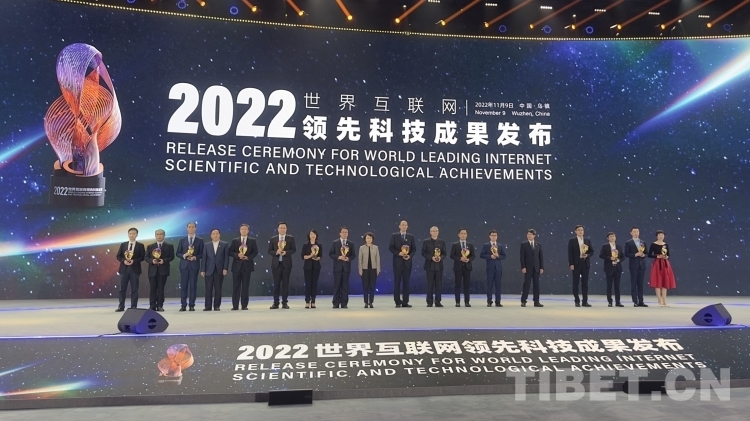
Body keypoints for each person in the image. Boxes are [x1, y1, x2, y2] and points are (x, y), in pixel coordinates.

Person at [229, 224, 258, 310]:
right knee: (236, 286)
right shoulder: (235, 241)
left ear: (248, 231)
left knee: (245, 286)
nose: (244, 230)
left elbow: (255, 252)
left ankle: (244, 305)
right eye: (242, 229)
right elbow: (230, 252)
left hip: (247, 266)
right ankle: (235, 305)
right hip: (236, 267)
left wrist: (248, 257)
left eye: (245, 229)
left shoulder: (252, 241)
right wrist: (237, 255)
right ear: (240, 230)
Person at [115, 227, 145, 311]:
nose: (132, 235)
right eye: (130, 234)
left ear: (137, 235)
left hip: (135, 270)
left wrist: (134, 261)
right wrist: (124, 261)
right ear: (128, 235)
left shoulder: (140, 245)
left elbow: (143, 257)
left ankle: (133, 307)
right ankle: (121, 306)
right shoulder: (123, 245)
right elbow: (118, 256)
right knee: (122, 289)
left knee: (134, 289)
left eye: (133, 233)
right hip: (124, 269)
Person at [176, 222, 204, 311]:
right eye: (189, 227)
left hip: (194, 265)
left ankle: (192, 305)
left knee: (193, 286)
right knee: (184, 286)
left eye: (193, 227)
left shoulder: (200, 240)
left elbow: (202, 253)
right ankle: (183, 305)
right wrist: (184, 255)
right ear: (187, 228)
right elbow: (178, 253)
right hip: (184, 266)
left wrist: (195, 257)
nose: (191, 228)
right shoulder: (182, 240)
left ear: (195, 228)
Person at [388, 220, 416, 308]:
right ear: (399, 226)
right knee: (397, 282)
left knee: (406, 282)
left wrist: (409, 256)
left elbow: (414, 249)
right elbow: (391, 247)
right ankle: (397, 301)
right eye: (402, 225)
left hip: (407, 263)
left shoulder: (411, 237)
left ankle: (405, 302)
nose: (404, 226)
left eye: (405, 225)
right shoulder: (394, 236)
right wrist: (398, 253)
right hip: (397, 263)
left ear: (407, 227)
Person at [145, 229, 175, 312]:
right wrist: (152, 261)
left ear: (164, 236)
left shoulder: (169, 246)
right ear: (155, 236)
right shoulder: (150, 246)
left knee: (161, 289)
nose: (159, 236)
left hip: (163, 270)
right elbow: (146, 257)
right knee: (152, 288)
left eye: (161, 234)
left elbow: (171, 257)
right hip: (152, 270)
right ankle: (152, 306)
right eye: (157, 234)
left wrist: (164, 261)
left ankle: (160, 305)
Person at [269, 221, 296, 309]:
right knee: (276, 284)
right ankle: (276, 303)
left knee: (285, 284)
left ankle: (284, 302)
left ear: (286, 229)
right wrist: (276, 252)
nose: (282, 229)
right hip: (276, 264)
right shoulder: (273, 239)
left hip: (286, 264)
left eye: (284, 228)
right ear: (278, 229)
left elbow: (293, 249)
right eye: (280, 228)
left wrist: (286, 253)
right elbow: (269, 251)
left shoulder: (290, 238)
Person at [200, 228, 229, 311]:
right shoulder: (206, 245)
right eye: (213, 234)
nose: (215, 235)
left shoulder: (224, 244)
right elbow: (204, 258)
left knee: (218, 288)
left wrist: (225, 268)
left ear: (219, 235)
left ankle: (217, 306)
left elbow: (226, 258)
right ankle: (208, 306)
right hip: (209, 270)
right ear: (211, 235)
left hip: (219, 270)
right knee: (208, 288)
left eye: (217, 234)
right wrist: (203, 270)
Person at [567, 225, 594, 307]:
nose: (580, 231)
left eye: (582, 230)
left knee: (585, 283)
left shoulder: (587, 241)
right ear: (575, 231)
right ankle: (577, 301)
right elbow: (570, 253)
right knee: (576, 283)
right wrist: (571, 264)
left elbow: (591, 251)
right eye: (578, 230)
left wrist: (587, 255)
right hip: (576, 264)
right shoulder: (572, 241)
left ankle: (585, 301)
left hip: (585, 263)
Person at [648, 230, 676, 306]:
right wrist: (657, 256)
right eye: (659, 235)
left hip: (665, 263)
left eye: (662, 235)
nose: (661, 236)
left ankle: (664, 301)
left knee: (665, 282)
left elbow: (668, 254)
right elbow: (649, 255)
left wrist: (666, 257)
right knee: (658, 281)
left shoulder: (666, 245)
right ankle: (659, 301)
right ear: (657, 236)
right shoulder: (653, 244)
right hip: (657, 263)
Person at [329, 227, 356, 309]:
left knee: (345, 286)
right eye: (343, 232)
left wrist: (348, 258)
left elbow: (353, 255)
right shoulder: (335, 243)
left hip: (346, 267)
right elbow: (331, 254)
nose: (344, 234)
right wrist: (338, 257)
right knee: (337, 285)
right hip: (337, 267)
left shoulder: (350, 244)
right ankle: (336, 303)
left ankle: (344, 303)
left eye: (346, 232)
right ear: (340, 233)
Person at [480, 229, 507, 307]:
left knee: (498, 285)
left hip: (498, 268)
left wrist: (498, 256)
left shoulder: (500, 246)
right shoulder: (486, 245)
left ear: (497, 236)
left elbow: (504, 256)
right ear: (489, 236)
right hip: (490, 268)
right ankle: (489, 301)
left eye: (495, 235)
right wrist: (490, 256)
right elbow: (481, 255)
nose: (494, 237)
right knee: (489, 285)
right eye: (492, 235)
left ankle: (498, 301)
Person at [421, 226, 446, 307]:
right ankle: (429, 301)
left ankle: (438, 301)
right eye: (433, 231)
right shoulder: (426, 242)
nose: (435, 232)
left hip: (439, 266)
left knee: (438, 285)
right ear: (430, 232)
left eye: (436, 231)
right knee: (430, 284)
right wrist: (431, 257)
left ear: (438, 232)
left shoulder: (442, 242)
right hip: (429, 266)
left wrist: (440, 258)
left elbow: (444, 253)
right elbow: (423, 252)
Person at [450, 228, 475, 307]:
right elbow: (452, 255)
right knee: (457, 285)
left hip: (467, 267)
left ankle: (467, 302)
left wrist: (469, 259)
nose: (463, 235)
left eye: (465, 233)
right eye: (462, 233)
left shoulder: (470, 245)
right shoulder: (455, 244)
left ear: (467, 235)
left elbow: (473, 255)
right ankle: (457, 302)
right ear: (459, 235)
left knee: (467, 285)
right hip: (458, 267)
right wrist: (460, 258)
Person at [624, 226, 648, 307]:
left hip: (642, 266)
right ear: (631, 233)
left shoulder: (643, 242)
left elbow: (647, 253)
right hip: (633, 266)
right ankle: (635, 301)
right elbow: (626, 254)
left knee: (640, 284)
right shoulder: (628, 243)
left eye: (637, 231)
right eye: (634, 232)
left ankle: (641, 301)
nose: (636, 233)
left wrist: (643, 255)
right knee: (634, 283)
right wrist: (635, 254)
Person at [599, 232, 624, 307]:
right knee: (609, 285)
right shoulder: (605, 246)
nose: (612, 237)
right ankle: (610, 301)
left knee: (617, 286)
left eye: (613, 236)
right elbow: (601, 255)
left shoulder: (619, 246)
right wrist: (610, 258)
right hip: (609, 268)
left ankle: (618, 302)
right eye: (611, 236)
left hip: (617, 268)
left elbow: (623, 256)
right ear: (608, 238)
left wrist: (619, 260)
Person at [520, 229, 544, 307]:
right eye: (528, 234)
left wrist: (541, 267)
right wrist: (523, 267)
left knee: (536, 285)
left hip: (536, 268)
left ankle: (536, 301)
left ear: (534, 235)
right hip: (528, 268)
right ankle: (523, 301)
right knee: (526, 284)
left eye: (530, 234)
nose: (529, 236)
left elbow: (540, 257)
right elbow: (522, 257)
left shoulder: (538, 244)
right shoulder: (524, 244)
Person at [358, 232, 381, 308]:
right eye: (367, 238)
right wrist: (360, 269)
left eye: (370, 238)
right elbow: (360, 259)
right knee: (365, 286)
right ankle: (366, 302)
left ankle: (371, 302)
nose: (369, 239)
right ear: (365, 239)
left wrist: (378, 269)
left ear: (372, 239)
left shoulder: (376, 247)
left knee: (372, 286)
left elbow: (378, 259)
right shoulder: (361, 248)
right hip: (364, 269)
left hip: (373, 269)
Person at [301, 230, 323, 308]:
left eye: (314, 234)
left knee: (314, 284)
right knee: (308, 284)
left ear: (316, 235)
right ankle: (307, 301)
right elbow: (303, 256)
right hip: (307, 267)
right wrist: (310, 256)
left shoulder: (319, 245)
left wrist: (317, 258)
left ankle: (313, 301)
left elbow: (320, 256)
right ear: (309, 235)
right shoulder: (305, 245)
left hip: (316, 267)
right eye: (311, 234)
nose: (313, 235)